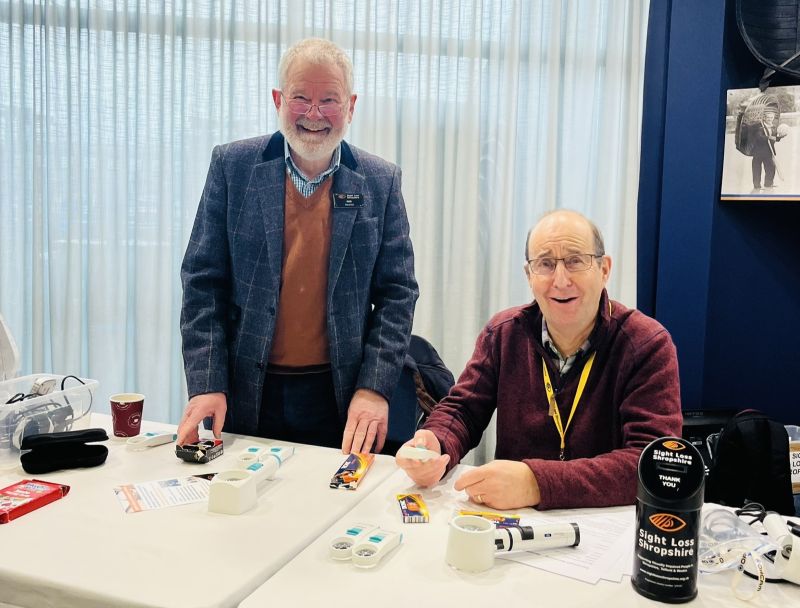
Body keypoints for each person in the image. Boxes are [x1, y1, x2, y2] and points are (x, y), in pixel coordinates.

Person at [178, 38, 418, 454]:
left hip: (341, 393)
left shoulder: (381, 181)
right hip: (246, 388)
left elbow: (398, 294)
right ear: (278, 99)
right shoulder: (232, 167)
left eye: (329, 100)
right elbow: (203, 283)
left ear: (351, 106)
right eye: (300, 98)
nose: (313, 114)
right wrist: (207, 383)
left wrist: (375, 388)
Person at [396, 210, 682, 510]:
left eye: (575, 260)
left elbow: (652, 462)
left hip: (604, 524)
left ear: (604, 269)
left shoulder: (646, 344)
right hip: (513, 520)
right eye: (545, 264)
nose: (560, 280)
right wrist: (434, 442)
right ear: (529, 275)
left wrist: (537, 483)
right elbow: (464, 409)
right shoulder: (504, 334)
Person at [749, 110, 786, 192]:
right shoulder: (759, 126)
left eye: (771, 117)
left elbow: (776, 138)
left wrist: (781, 136)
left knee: (771, 168)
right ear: (764, 118)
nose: (769, 119)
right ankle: (757, 186)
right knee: (757, 169)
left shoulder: (773, 127)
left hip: (769, 152)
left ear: (773, 118)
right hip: (758, 152)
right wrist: (769, 137)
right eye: (768, 117)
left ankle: (768, 184)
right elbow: (759, 137)